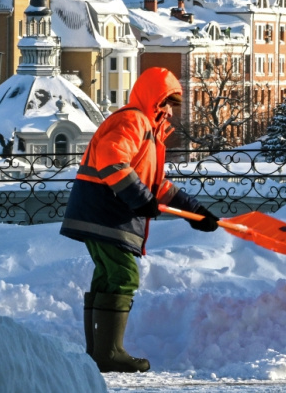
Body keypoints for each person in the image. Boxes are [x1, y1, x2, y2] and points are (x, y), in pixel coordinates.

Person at [60, 67, 219, 373]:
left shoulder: (147, 130)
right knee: (123, 274)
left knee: (108, 276)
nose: (170, 112)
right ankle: (109, 352)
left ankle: (98, 353)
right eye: (167, 103)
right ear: (153, 99)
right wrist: (138, 198)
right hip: (106, 213)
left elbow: (157, 185)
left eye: (173, 105)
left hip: (100, 213)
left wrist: (196, 213)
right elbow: (111, 157)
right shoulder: (133, 120)